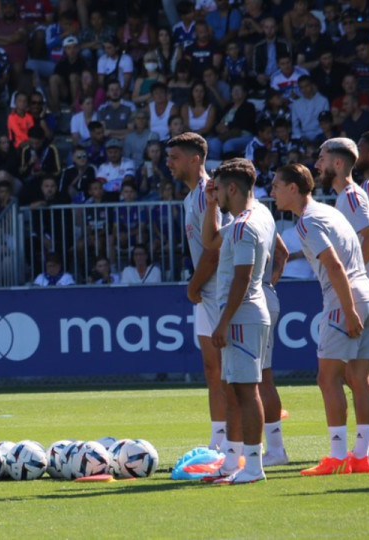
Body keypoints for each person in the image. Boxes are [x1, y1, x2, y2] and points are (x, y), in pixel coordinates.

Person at [272, 163, 369, 475]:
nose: (273, 192)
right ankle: (360, 457)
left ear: (293, 188)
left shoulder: (307, 220)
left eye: (277, 186)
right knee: (361, 379)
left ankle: (336, 456)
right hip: (368, 295)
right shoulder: (329, 211)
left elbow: (334, 267)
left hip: (345, 300)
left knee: (327, 378)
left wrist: (348, 311)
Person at [198, 158, 272, 485]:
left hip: (242, 317)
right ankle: (231, 462)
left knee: (246, 390)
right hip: (245, 314)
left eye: (219, 189)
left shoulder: (244, 226)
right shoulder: (257, 216)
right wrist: (211, 205)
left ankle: (254, 466)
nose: (216, 193)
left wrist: (223, 321)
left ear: (232, 188)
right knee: (233, 390)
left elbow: (242, 278)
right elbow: (211, 242)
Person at [316, 138, 369, 460]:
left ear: (337, 163)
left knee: (347, 376)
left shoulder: (350, 196)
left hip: (357, 294)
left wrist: (353, 279)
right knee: (357, 376)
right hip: (363, 292)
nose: (316, 164)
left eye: (321, 158)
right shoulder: (345, 198)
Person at [167, 132, 230, 451]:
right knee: (211, 368)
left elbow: (214, 249)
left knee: (231, 370)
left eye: (174, 157)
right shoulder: (188, 198)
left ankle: (244, 439)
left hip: (221, 293)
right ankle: (218, 439)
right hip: (207, 294)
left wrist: (193, 286)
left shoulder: (211, 192)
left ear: (195, 159)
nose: (168, 163)